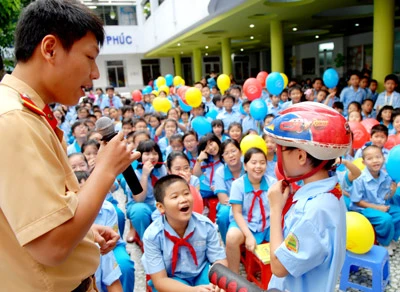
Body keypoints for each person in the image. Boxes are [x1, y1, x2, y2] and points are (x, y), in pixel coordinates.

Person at [0, 0, 139, 290]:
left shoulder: (24, 112)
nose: (95, 74)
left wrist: (83, 236)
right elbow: (51, 246)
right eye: (90, 57)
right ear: (50, 49)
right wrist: (105, 169)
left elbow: (37, 223)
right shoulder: (13, 119)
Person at [264, 102, 351, 291]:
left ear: (301, 156)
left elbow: (279, 267)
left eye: (281, 149)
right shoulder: (330, 187)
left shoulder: (314, 211)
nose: (277, 155)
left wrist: (275, 208)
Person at [141, 175, 227, 292]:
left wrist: (218, 282)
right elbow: (160, 281)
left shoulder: (206, 226)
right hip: (172, 279)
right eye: (175, 197)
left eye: (186, 193)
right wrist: (193, 290)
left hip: (201, 273)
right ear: (161, 207)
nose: (183, 199)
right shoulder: (152, 236)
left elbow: (218, 260)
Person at [226, 147, 276, 273]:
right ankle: (234, 275)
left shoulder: (272, 183)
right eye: (253, 162)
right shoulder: (238, 185)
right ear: (245, 165)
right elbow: (236, 213)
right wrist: (248, 235)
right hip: (245, 223)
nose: (258, 166)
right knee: (231, 237)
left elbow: (276, 209)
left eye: (262, 162)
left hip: (267, 224)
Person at [350, 145, 400, 255]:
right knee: (385, 219)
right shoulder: (360, 179)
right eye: (370, 158)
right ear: (363, 162)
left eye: (378, 157)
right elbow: (357, 201)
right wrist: (378, 208)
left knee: (398, 213)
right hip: (363, 209)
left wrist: (393, 190)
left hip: (381, 205)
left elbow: (385, 197)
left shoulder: (386, 176)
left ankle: (392, 237)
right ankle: (384, 243)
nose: (375, 161)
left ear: (383, 158)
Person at [214, 139, 245, 244]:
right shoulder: (220, 172)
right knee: (223, 214)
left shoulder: (248, 167)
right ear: (223, 157)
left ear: (240, 152)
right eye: (226, 153)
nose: (231, 155)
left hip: (249, 201)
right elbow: (223, 200)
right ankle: (228, 245)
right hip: (228, 205)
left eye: (233, 151)